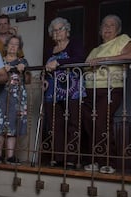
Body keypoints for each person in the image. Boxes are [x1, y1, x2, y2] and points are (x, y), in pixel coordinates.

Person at [82, 14, 131, 173]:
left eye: (111, 25)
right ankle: (93, 161)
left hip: (110, 88)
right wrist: (94, 63)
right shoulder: (95, 49)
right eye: (104, 25)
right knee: (89, 124)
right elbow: (86, 66)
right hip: (90, 89)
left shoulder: (122, 40)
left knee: (101, 121)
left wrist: (104, 60)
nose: (107, 27)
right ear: (100, 30)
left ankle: (108, 162)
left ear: (118, 29)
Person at [43, 17, 86, 169]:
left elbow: (80, 59)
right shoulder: (50, 49)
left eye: (60, 29)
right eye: (54, 30)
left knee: (73, 123)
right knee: (55, 124)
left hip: (72, 88)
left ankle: (71, 158)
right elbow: (47, 68)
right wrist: (45, 79)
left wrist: (59, 62)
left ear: (67, 30)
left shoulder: (74, 43)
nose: (57, 32)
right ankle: (58, 157)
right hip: (52, 90)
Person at [0, 35, 29, 164]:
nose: (13, 46)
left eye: (16, 44)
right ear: (6, 46)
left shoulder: (23, 62)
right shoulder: (0, 61)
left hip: (18, 97)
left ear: (19, 48)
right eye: (11, 44)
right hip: (2, 95)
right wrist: (2, 72)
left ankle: (10, 156)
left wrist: (23, 71)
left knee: (13, 125)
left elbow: (28, 80)